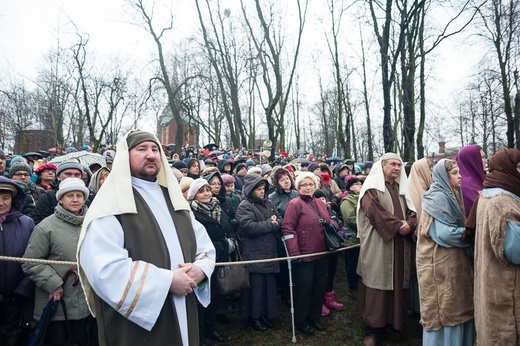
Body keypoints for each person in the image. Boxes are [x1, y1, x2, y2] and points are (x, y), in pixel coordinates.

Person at [77, 130, 215, 346]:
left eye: (155, 149)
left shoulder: (173, 198)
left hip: (184, 306)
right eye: (141, 149)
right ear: (125, 157)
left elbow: (202, 243)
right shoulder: (111, 204)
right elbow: (105, 269)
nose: (150, 155)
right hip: (138, 327)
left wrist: (202, 269)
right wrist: (168, 281)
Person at [356, 153, 417, 346]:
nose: (397, 168)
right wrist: (399, 225)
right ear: (382, 166)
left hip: (400, 245)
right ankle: (372, 330)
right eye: (392, 164)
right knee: (378, 283)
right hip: (379, 245)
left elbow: (412, 211)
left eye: (399, 165)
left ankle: (393, 325)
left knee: (397, 284)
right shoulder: (371, 189)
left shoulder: (401, 189)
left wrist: (411, 223)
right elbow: (374, 211)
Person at [22, 178, 93, 345]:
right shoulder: (46, 227)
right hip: (56, 304)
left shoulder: (93, 224)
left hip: (85, 305)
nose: (75, 200)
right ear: (60, 199)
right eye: (70, 195)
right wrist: (54, 283)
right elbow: (30, 262)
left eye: (79, 195)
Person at [416, 159, 475, 345]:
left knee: (457, 311)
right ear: (444, 176)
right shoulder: (438, 197)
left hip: (452, 268)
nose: (460, 176)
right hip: (440, 270)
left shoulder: (452, 194)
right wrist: (473, 234)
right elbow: (444, 234)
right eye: (455, 173)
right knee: (445, 314)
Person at [473, 149, 520, 345]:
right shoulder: (503, 203)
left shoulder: (488, 195)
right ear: (508, 169)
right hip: (504, 287)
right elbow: (515, 251)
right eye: (518, 166)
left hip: (492, 281)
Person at [282, 172, 335, 336]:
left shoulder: (319, 202)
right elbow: (287, 228)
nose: (308, 187)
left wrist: (333, 225)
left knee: (319, 287)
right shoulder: (294, 204)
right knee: (304, 290)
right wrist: (295, 253)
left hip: (322, 252)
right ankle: (301, 320)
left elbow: (329, 220)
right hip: (304, 255)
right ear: (298, 187)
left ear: (315, 185)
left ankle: (314, 316)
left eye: (310, 184)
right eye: (304, 185)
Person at [187, 178, 235, 344]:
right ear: (194, 195)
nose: (207, 193)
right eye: (201, 191)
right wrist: (221, 245)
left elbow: (228, 228)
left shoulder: (217, 207)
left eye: (208, 190)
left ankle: (211, 327)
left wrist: (231, 242)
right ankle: (199, 334)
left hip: (220, 260)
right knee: (201, 300)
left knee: (215, 296)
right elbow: (194, 241)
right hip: (202, 262)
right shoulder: (191, 214)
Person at [235, 173, 281, 332]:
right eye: (258, 189)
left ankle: (265, 314)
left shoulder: (268, 203)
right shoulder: (244, 206)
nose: (262, 192)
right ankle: (254, 317)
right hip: (254, 252)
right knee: (256, 288)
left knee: (268, 285)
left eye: (263, 188)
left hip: (269, 251)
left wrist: (274, 223)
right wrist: (270, 224)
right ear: (250, 190)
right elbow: (248, 227)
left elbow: (279, 218)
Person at [0, 177, 35, 344]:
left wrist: (23, 290)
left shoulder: (27, 223)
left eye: (5, 198)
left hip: (18, 300)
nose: (1, 203)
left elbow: (35, 259)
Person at [340, 175, 363, 297]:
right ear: (351, 187)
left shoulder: (363, 198)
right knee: (352, 263)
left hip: (363, 238)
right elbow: (350, 219)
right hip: (352, 239)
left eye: (361, 184)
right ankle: (353, 288)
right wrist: (366, 225)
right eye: (357, 184)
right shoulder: (347, 201)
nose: (361, 186)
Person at [455, 144, 486, 217]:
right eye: (482, 157)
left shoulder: (480, 179)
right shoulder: (464, 187)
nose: (485, 160)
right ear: (472, 160)